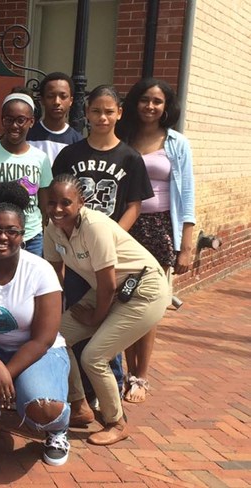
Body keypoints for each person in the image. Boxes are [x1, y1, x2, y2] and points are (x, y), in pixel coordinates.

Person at [44, 173, 169, 445]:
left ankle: (116, 422)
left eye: (66, 202)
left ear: (81, 202)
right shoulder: (52, 229)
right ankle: (79, 407)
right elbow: (55, 277)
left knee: (93, 357)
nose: (57, 209)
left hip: (144, 290)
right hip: (108, 290)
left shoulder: (94, 226)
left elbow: (108, 284)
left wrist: (95, 317)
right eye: (51, 202)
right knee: (55, 339)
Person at [0, 181, 71, 466]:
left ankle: (58, 429)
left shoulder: (40, 271)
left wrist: (6, 372)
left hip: (38, 354)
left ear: (23, 234)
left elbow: (43, 338)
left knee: (39, 408)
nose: (2, 237)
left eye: (11, 231)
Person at [52, 85, 154, 406]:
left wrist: (109, 236)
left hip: (109, 254)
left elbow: (134, 205)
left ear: (119, 113)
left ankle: (110, 385)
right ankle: (80, 393)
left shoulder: (130, 157)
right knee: (79, 317)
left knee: (108, 322)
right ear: (86, 113)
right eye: (96, 111)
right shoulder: (71, 155)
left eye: (109, 111)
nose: (102, 117)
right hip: (79, 258)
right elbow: (57, 198)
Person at [116, 78, 196, 403]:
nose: (150, 106)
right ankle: (122, 370)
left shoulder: (176, 143)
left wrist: (187, 243)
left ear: (166, 107)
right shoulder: (122, 137)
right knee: (122, 300)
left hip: (159, 228)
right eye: (145, 100)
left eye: (157, 101)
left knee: (149, 303)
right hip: (124, 226)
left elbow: (187, 192)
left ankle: (140, 376)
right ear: (135, 103)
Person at [0, 91, 52, 256]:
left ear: (31, 122)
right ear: (2, 120)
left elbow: (44, 204)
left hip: (30, 237)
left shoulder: (41, 158)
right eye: (9, 119)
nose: (14, 126)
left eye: (21, 120)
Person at [26, 72, 83, 165]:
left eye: (63, 96)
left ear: (71, 101)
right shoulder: (28, 136)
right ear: (42, 100)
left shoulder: (78, 142)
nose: (57, 102)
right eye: (50, 96)